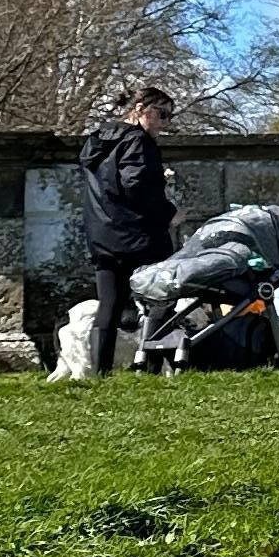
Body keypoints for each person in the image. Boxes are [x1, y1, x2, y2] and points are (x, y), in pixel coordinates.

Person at [77, 82, 179, 375]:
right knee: (164, 293)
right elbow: (135, 185)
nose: (165, 123)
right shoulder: (137, 141)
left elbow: (109, 186)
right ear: (139, 110)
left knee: (109, 303)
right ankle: (152, 365)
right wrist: (169, 214)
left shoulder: (97, 140)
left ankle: (100, 372)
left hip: (102, 235)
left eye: (169, 117)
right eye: (161, 115)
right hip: (138, 235)